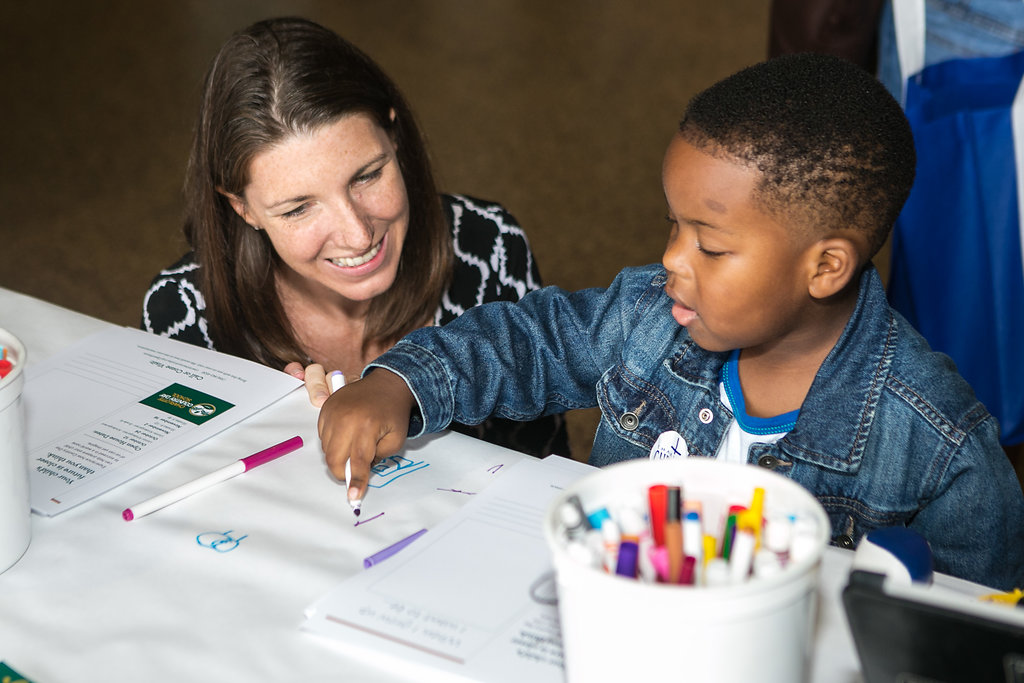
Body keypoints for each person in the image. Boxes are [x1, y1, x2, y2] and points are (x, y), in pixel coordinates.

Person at [318, 53, 1024, 590]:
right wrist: (400, 384)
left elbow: (970, 630)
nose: (671, 261)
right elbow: (530, 341)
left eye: (710, 247)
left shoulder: (941, 448)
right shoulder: (651, 316)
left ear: (826, 267)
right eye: (673, 227)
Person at [141, 17, 568, 459]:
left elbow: (546, 467)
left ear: (393, 133)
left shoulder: (489, 245)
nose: (358, 234)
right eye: (298, 208)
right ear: (242, 207)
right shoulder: (184, 313)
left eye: (367, 176)